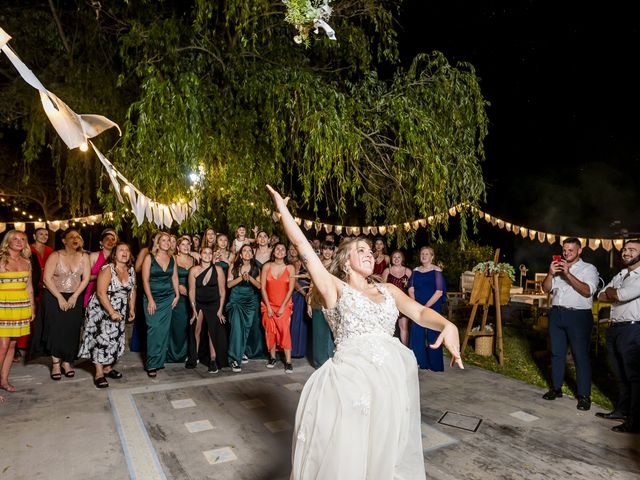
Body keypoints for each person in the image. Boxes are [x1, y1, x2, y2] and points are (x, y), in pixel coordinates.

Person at [266, 185, 463, 479]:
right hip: (351, 383)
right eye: (361, 251)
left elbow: (420, 313)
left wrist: (448, 325)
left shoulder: (388, 290)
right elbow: (305, 251)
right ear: (346, 261)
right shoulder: (335, 288)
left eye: (370, 251)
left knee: (383, 453)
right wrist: (284, 212)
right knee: (349, 455)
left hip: (391, 383)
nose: (369, 254)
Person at [541, 237, 599, 410]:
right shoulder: (557, 267)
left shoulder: (589, 268)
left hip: (579, 316)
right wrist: (551, 273)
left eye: (570, 250)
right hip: (557, 313)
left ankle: (583, 396)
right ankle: (556, 388)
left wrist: (567, 273)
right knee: (557, 354)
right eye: (564, 250)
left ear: (579, 251)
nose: (566, 253)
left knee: (580, 356)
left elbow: (587, 291)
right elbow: (545, 289)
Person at [596, 239, 640, 432]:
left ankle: (635, 421)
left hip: (633, 329)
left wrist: (613, 292)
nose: (626, 252)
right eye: (625, 249)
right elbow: (600, 295)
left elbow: (621, 295)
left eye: (632, 250)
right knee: (619, 374)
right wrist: (613, 292)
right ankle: (622, 411)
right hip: (615, 328)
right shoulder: (621, 274)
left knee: (634, 376)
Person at [35, 229, 90, 380]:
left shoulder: (84, 257)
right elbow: (46, 279)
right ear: (64, 241)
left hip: (75, 296)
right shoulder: (55, 255)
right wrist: (60, 298)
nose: (75, 239)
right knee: (55, 330)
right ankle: (56, 364)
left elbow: (85, 279)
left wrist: (75, 296)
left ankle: (67, 362)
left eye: (77, 236)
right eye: (71, 237)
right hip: (54, 296)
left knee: (71, 330)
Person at [78, 242, 136, 388]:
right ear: (114, 254)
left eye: (127, 250)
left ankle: (108, 367)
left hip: (120, 307)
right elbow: (100, 293)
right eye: (121, 250)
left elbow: (132, 290)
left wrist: (132, 309)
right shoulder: (107, 269)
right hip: (102, 308)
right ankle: (99, 373)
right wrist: (111, 312)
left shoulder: (130, 270)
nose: (124, 252)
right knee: (101, 339)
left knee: (115, 338)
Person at [0, 230, 35, 399]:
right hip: (3, 305)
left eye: (22, 239)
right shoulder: (0, 260)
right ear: (7, 241)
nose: (19, 241)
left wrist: (32, 307)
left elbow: (29, 287)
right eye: (15, 238)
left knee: (12, 346)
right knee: (2, 346)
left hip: (21, 305)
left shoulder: (26, 262)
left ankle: (4, 381)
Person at [141, 232, 179, 377]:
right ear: (157, 242)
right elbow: (145, 280)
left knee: (163, 331)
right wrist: (150, 299)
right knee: (153, 329)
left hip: (168, 297)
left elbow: (174, 277)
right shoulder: (149, 258)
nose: (166, 242)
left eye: (169, 240)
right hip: (153, 297)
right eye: (163, 240)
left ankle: (159, 361)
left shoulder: (172, 258)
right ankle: (151, 363)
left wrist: (177, 294)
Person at [187, 246, 227, 372]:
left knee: (212, 331)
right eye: (205, 252)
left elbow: (222, 291)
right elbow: (192, 290)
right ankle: (193, 357)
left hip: (214, 304)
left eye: (210, 253)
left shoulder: (218, 269)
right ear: (200, 254)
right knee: (196, 330)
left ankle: (213, 360)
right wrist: (193, 310)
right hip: (199, 303)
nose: (207, 255)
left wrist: (220, 310)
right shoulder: (193, 270)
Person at [408, 246, 446, 371]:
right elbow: (411, 288)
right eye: (422, 254)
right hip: (417, 307)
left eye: (426, 254)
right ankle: (419, 362)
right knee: (416, 333)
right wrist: (415, 305)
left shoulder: (437, 271)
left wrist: (425, 307)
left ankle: (434, 364)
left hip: (432, 307)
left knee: (433, 334)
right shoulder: (416, 271)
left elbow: (439, 292)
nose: (424, 256)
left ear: (432, 256)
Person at [226, 244, 263, 372]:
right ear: (240, 255)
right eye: (244, 251)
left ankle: (240, 351)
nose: (247, 253)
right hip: (236, 301)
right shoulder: (234, 267)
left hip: (250, 302)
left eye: (249, 251)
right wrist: (241, 277)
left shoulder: (256, 268)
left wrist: (250, 278)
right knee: (236, 328)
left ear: (252, 255)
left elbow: (259, 286)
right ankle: (234, 359)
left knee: (246, 329)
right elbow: (229, 284)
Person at [260, 243, 296, 372]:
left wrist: (282, 307)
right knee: (270, 331)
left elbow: (291, 289)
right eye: (277, 249)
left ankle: (288, 361)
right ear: (273, 252)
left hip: (284, 305)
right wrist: (268, 307)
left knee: (284, 331)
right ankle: (273, 357)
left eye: (283, 249)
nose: (280, 251)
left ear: (286, 253)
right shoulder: (266, 266)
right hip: (268, 304)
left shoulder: (290, 268)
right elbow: (263, 288)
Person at [167, 236, 194, 363]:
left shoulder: (194, 259)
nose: (186, 246)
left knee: (188, 326)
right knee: (178, 325)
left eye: (188, 244)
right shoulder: (173, 258)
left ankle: (186, 353)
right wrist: (177, 286)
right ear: (177, 247)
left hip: (191, 296)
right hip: (176, 295)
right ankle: (174, 354)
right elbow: (168, 276)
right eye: (183, 244)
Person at [311, 241, 336, 368]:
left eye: (330, 249)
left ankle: (330, 360)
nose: (327, 252)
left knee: (330, 332)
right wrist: (309, 303)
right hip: (316, 300)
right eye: (325, 249)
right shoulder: (316, 264)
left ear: (333, 251)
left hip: (331, 301)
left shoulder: (336, 266)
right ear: (321, 250)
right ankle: (319, 361)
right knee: (318, 332)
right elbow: (312, 283)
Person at [382, 250, 413, 346]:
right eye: (394, 257)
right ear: (391, 259)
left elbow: (413, 287)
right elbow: (383, 287)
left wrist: (408, 284)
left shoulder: (407, 271)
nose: (396, 259)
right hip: (391, 303)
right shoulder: (387, 271)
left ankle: (405, 350)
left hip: (403, 303)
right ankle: (388, 349)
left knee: (403, 327)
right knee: (388, 327)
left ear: (402, 259)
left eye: (398, 257)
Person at [83, 228, 118, 308]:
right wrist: (102, 276)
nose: (110, 241)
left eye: (113, 239)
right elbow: (85, 277)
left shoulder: (118, 259)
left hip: (113, 295)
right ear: (101, 242)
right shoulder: (93, 256)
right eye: (107, 238)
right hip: (93, 292)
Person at [288, 244, 310, 358]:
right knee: (293, 321)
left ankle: (296, 350)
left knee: (298, 320)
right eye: (290, 249)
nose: (292, 251)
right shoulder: (289, 262)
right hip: (295, 292)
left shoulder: (298, 263)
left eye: (294, 249)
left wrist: (305, 294)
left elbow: (295, 281)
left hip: (299, 293)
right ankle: (294, 349)